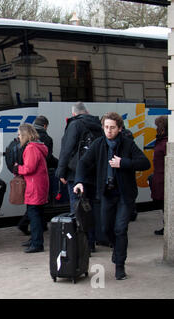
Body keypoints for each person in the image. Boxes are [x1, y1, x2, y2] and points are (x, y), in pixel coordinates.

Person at [73, 112, 150, 280]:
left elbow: (145, 163)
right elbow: (84, 163)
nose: (108, 131)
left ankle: (119, 265)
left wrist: (123, 163)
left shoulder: (128, 144)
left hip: (125, 195)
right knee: (106, 229)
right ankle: (117, 248)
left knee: (120, 229)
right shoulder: (98, 144)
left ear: (120, 128)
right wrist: (79, 181)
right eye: (106, 127)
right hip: (107, 194)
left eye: (112, 127)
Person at [55, 101, 103, 252]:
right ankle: (92, 241)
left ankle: (83, 245)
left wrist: (61, 172)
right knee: (92, 207)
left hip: (76, 174)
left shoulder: (75, 125)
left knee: (78, 208)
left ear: (74, 113)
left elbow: (67, 149)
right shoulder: (98, 125)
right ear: (86, 111)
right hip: (94, 173)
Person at [16, 123, 49, 253]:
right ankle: (34, 239)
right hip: (39, 184)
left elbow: (29, 168)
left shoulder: (31, 148)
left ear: (25, 134)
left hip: (34, 185)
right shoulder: (37, 146)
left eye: (19, 134)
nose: (18, 137)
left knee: (34, 214)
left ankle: (37, 243)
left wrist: (17, 168)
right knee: (37, 213)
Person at [152, 115, 168, 235]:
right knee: (164, 205)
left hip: (163, 178)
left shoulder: (165, 142)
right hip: (160, 177)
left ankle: (167, 227)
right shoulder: (162, 141)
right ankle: (166, 226)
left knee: (166, 205)